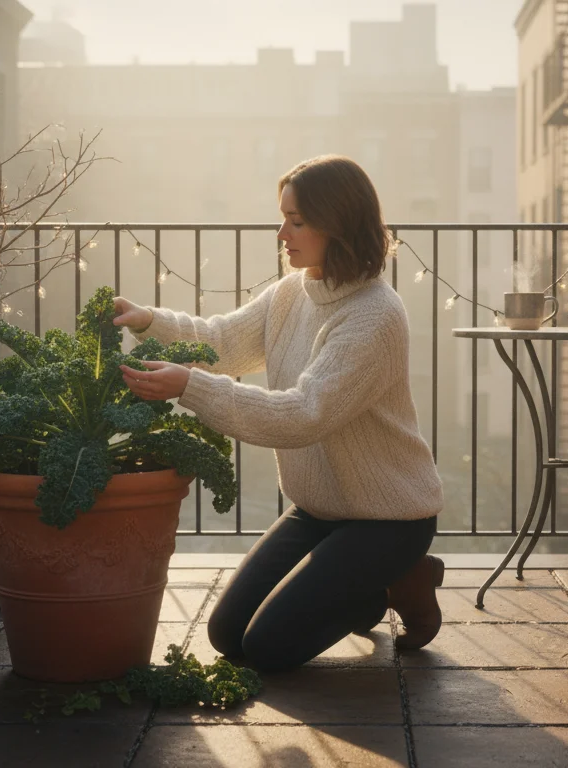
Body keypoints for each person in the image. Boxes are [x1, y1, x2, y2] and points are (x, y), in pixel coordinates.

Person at [112, 155, 445, 673]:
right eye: (283, 217)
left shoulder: (374, 316)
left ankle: (396, 579)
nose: (281, 233)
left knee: (267, 648)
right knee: (228, 636)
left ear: (337, 225)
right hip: (319, 510)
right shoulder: (293, 291)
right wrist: (150, 321)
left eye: (296, 221)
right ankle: (365, 582)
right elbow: (224, 342)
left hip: (388, 521)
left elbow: (303, 415)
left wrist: (191, 387)